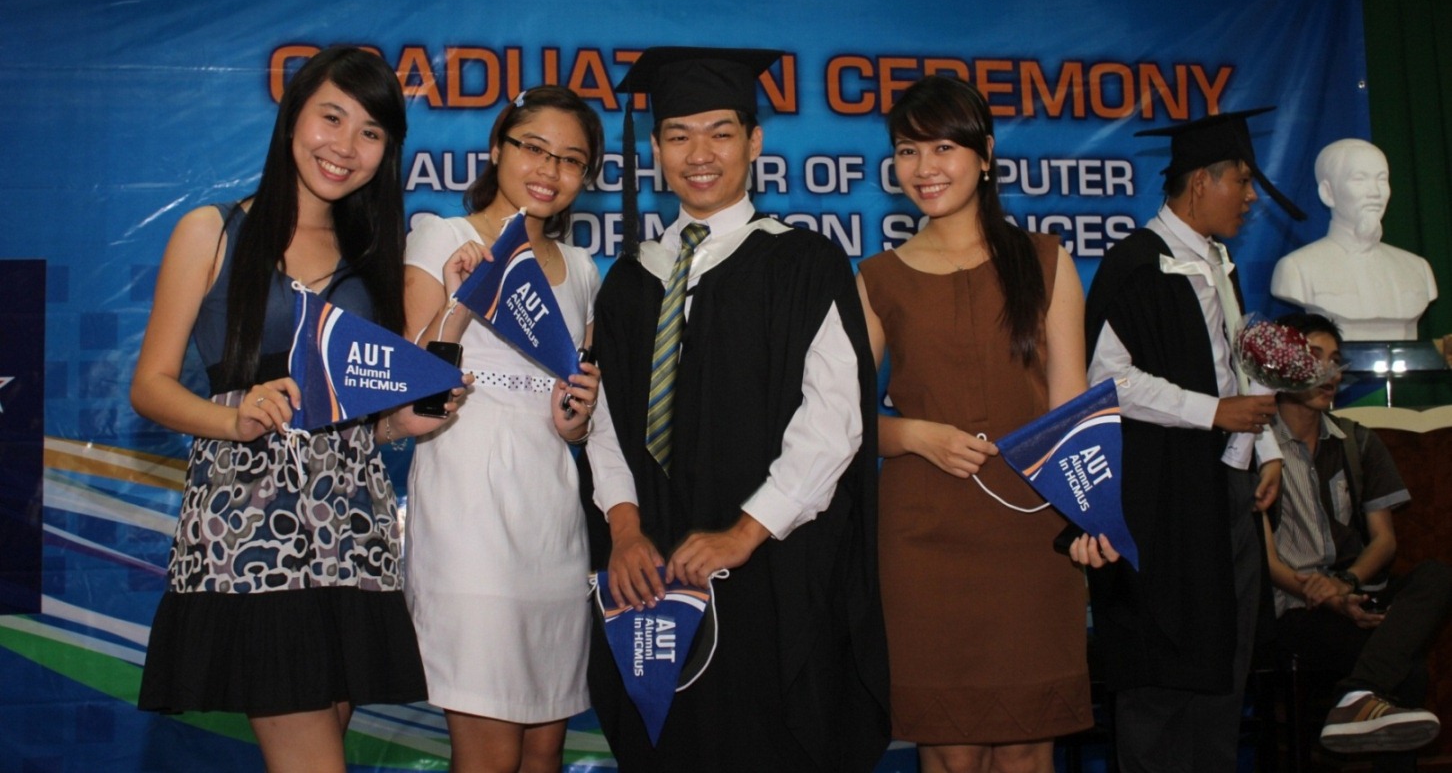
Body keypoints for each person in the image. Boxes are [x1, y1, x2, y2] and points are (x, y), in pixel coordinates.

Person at [132, 46, 451, 772]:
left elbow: (359, 411)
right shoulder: (213, 231)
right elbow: (149, 384)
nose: (345, 146)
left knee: (321, 739)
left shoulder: (372, 252)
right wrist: (232, 418)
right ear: (292, 118)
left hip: (353, 531)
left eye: (370, 132)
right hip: (252, 531)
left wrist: (399, 424)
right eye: (331, 118)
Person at [576, 46, 890, 772]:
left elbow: (835, 420)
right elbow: (606, 422)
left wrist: (744, 534)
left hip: (771, 565)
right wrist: (624, 529)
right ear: (656, 150)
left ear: (754, 141)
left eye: (720, 132)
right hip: (652, 570)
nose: (699, 154)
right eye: (678, 135)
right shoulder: (629, 281)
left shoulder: (802, 263)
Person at [856, 74, 1106, 773]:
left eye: (944, 147)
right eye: (908, 150)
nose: (925, 168)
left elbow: (1072, 410)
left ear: (986, 154)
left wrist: (1094, 514)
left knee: (1028, 748)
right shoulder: (877, 277)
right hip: (922, 539)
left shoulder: (1046, 261)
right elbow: (838, 423)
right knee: (950, 753)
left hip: (1032, 535)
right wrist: (912, 435)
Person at [400, 85, 637, 773]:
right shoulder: (443, 237)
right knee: (490, 752)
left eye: (571, 160)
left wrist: (575, 421)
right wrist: (460, 298)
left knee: (543, 750)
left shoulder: (583, 270)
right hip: (468, 511)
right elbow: (408, 383)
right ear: (498, 146)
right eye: (534, 148)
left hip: (552, 521)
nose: (549, 170)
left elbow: (579, 410)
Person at [1084, 107, 1305, 772]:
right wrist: (1212, 413)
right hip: (1162, 499)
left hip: (1227, 492)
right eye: (1241, 181)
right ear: (1200, 182)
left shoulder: (1218, 262)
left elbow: (1236, 362)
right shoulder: (1135, 264)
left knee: (1225, 661)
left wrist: (1266, 450)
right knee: (1163, 669)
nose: (1249, 197)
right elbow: (1107, 382)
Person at [1263, 312, 1452, 766]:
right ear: (1278, 366)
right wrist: (1324, 595)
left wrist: (1345, 584)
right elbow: (1262, 557)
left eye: (1336, 361)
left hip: (1353, 588)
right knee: (1406, 670)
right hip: (1291, 603)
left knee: (1436, 576)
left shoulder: (1356, 440)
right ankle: (1360, 697)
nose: (1330, 373)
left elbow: (1384, 542)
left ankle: (1356, 694)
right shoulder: (1256, 445)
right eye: (1314, 358)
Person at [1271, 138, 1437, 340]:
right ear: (1327, 193)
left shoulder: (1417, 269)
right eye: (1359, 179)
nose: (1375, 193)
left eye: (1382, 179)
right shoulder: (1296, 268)